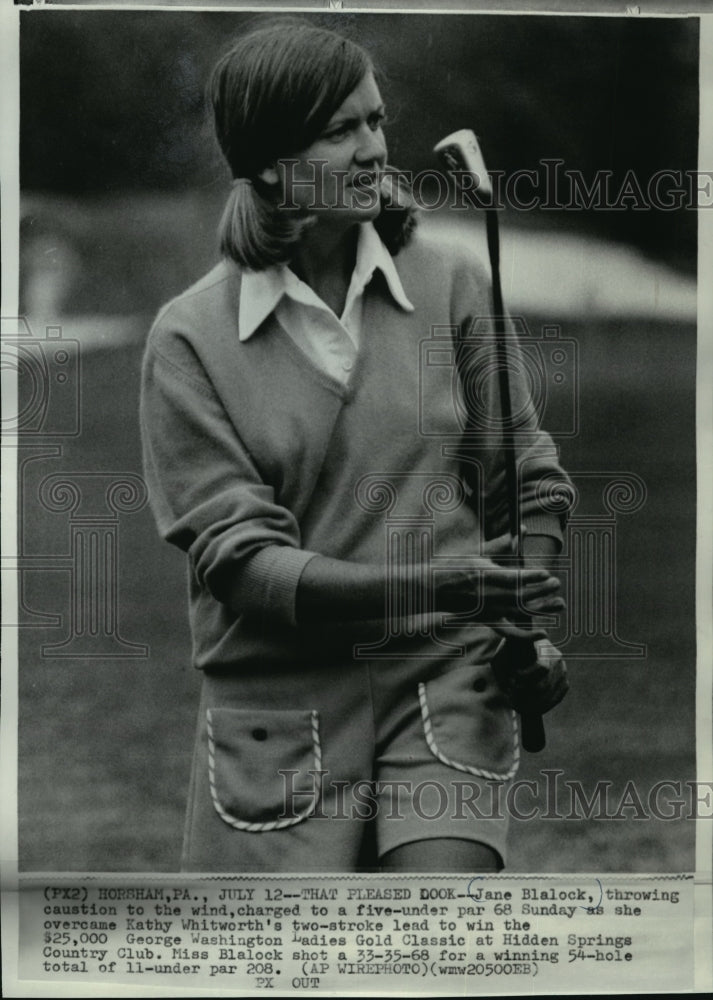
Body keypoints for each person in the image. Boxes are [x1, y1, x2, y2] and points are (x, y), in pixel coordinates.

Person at [140, 17, 570, 874]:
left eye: (375, 120)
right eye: (340, 131)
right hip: (275, 709)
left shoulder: (453, 284)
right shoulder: (187, 338)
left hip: (447, 677)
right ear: (268, 162)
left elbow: (526, 477)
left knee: (432, 951)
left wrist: (527, 617)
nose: (374, 148)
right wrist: (440, 583)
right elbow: (243, 567)